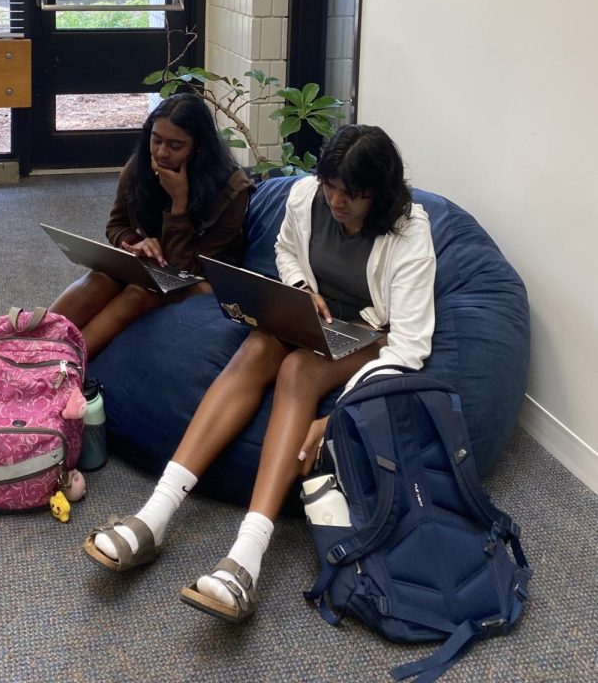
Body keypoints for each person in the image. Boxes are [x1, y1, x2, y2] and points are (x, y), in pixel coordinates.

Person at [82, 124, 436, 624]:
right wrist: (297, 288)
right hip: (311, 313)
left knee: (296, 371)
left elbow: (411, 346)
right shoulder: (305, 197)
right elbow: (287, 252)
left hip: (366, 333)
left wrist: (339, 417)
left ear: (378, 193)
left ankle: (247, 557)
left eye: (352, 196)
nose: (336, 202)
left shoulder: (410, 235)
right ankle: (155, 515)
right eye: (331, 187)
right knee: (256, 348)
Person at [49, 92, 253, 358]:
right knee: (101, 278)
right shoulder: (141, 167)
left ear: (198, 147)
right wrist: (135, 244)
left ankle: (64, 366)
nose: (161, 152)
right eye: (156, 140)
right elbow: (116, 225)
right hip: (151, 269)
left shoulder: (232, 191)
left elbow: (187, 269)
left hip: (203, 282)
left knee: (138, 293)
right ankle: (27, 348)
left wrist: (179, 203)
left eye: (175, 145)